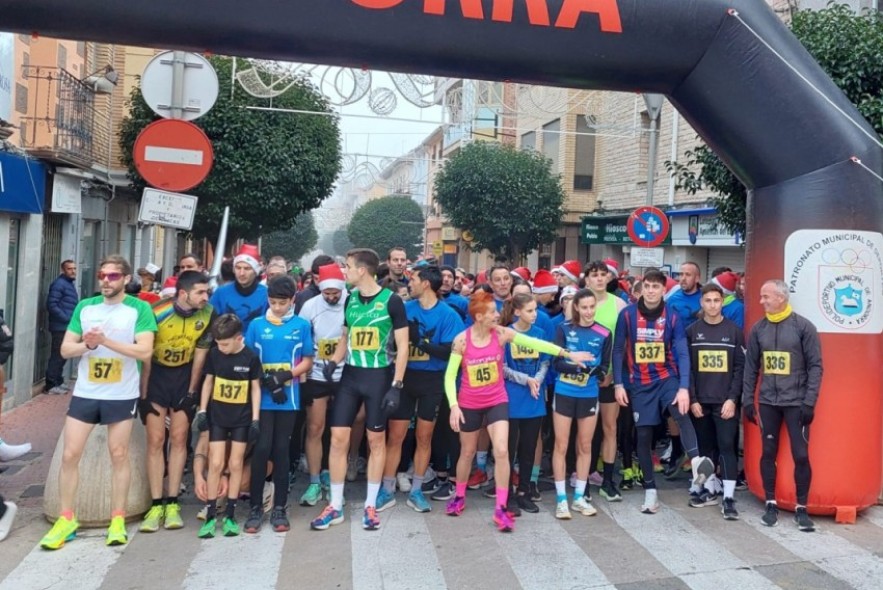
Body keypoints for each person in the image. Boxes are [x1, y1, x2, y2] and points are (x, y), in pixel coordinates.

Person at [443, 290, 591, 532]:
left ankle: (501, 508)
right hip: (469, 402)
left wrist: (567, 353)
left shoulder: (502, 334)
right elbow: (450, 377)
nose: (498, 314)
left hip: (497, 400)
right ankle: (459, 495)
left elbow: (535, 343)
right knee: (467, 452)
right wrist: (453, 406)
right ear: (479, 316)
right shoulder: (461, 340)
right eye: (492, 312)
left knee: (501, 450)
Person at [40, 255, 157, 550]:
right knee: (70, 454)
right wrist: (88, 345)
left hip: (121, 393)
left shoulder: (139, 309)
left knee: (118, 454)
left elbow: (144, 352)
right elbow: (66, 349)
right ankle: (67, 519)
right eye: (103, 275)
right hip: (87, 391)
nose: (106, 280)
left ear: (126, 279)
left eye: (113, 276)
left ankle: (117, 518)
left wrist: (105, 341)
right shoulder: (85, 307)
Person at [310, 248, 409, 532]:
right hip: (350, 377)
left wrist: (397, 385)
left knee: (375, 441)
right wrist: (333, 362)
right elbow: (345, 336)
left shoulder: (391, 302)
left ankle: (370, 504)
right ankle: (336, 505)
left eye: (348, 267)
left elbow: (402, 347)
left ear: (362, 270)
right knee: (338, 437)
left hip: (379, 377)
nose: (345, 272)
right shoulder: (350, 299)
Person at [612, 268, 714, 515]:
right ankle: (650, 492)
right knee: (644, 437)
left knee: (681, 413)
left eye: (656, 287)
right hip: (639, 384)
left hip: (666, 378)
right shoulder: (627, 315)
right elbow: (617, 351)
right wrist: (618, 383)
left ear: (663, 290)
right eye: (647, 286)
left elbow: (681, 351)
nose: (650, 291)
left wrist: (683, 387)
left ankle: (699, 463)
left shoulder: (672, 316)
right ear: (641, 288)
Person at [377, 265, 464, 513]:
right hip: (405, 378)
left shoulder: (449, 315)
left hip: (433, 381)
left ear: (426, 283)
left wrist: (420, 342)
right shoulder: (405, 309)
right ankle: (386, 488)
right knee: (395, 436)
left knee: (424, 437)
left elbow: (449, 351)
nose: (409, 283)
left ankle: (416, 491)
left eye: (413, 279)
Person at [742, 279, 822, 531]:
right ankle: (770, 503)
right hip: (768, 402)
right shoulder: (758, 329)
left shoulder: (803, 327)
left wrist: (809, 402)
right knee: (768, 452)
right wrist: (747, 399)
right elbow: (751, 367)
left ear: (781, 298)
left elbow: (816, 367)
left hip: (796, 403)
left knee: (800, 454)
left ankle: (801, 508)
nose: (761, 301)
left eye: (766, 296)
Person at [139, 271, 214, 534]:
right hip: (157, 375)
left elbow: (200, 357)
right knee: (156, 440)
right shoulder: (157, 311)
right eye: (200, 293)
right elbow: (145, 355)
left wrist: (192, 392)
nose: (206, 297)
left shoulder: (207, 314)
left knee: (180, 439)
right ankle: (156, 503)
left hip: (184, 376)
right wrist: (143, 393)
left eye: (207, 292)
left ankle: (172, 502)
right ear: (183, 294)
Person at [243, 276, 313, 533]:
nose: (278, 307)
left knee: (281, 450)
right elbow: (249, 359)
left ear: (293, 300)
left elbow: (307, 360)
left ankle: (280, 507)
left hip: (289, 399)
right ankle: (255, 508)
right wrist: (269, 383)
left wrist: (284, 377)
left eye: (283, 303)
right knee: (261, 449)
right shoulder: (256, 325)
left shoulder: (301, 325)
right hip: (261, 397)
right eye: (273, 302)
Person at [195, 314, 262, 538]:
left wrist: (255, 418)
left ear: (238, 338)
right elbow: (208, 382)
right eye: (217, 343)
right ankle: (212, 514)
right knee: (215, 463)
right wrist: (203, 410)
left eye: (224, 343)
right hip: (219, 417)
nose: (220, 347)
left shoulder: (250, 358)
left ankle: (231, 514)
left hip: (241, 419)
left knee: (235, 463)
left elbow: (255, 389)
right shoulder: (215, 355)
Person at [551, 288, 612, 519]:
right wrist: (578, 366)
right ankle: (561, 499)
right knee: (561, 444)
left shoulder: (604, 333)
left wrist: (599, 371)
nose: (588, 312)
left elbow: (605, 365)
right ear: (576, 307)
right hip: (565, 391)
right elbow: (557, 362)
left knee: (585, 446)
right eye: (584, 307)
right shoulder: (564, 329)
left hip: (588, 393)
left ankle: (579, 497)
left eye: (592, 307)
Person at [686, 283, 745, 519]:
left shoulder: (734, 331)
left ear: (722, 303)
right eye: (708, 300)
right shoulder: (691, 331)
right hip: (700, 402)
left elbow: (741, 368)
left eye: (716, 301)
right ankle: (709, 488)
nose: (712, 305)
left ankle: (728, 497)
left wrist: (733, 399)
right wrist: (692, 399)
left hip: (725, 403)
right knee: (705, 449)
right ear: (702, 303)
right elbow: (686, 368)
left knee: (726, 448)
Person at [297, 263, 346, 507]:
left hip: (345, 374)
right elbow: (302, 344)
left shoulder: (351, 302)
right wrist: (304, 381)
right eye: (327, 293)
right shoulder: (310, 306)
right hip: (316, 374)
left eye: (335, 293)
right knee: (315, 427)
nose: (331, 297)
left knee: (341, 432)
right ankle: (315, 481)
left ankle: (335, 478)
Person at [500, 293, 550, 514]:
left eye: (535, 310)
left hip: (534, 396)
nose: (534, 314)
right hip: (512, 396)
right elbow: (502, 367)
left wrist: (537, 380)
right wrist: (525, 379)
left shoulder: (539, 333)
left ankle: (524, 491)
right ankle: (507, 494)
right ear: (517, 311)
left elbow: (546, 361)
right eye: (530, 310)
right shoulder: (506, 333)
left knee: (529, 447)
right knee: (509, 450)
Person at [583, 261, 627, 501]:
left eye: (603, 275)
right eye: (594, 275)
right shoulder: (579, 304)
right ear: (587, 279)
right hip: (584, 379)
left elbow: (621, 344)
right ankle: (586, 478)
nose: (599, 279)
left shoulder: (619, 304)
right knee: (586, 433)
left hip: (610, 377)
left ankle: (608, 481)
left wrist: (613, 373)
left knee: (610, 428)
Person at [209, 244, 268, 333]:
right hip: (226, 344)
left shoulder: (266, 294)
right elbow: (209, 321)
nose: (241, 273)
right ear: (233, 269)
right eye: (238, 268)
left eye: (247, 268)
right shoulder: (221, 293)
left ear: (256, 271)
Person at [45, 259, 79, 394]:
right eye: (70, 269)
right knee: (58, 355)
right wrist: (67, 319)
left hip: (65, 326)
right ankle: (51, 384)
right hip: (60, 326)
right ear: (63, 270)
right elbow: (52, 305)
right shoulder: (59, 284)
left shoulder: (68, 284)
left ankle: (58, 381)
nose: (73, 271)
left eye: (74, 268)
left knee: (63, 355)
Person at [666, 262, 702, 328]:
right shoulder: (672, 299)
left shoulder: (706, 298)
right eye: (681, 274)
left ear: (697, 278)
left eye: (688, 275)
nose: (683, 278)